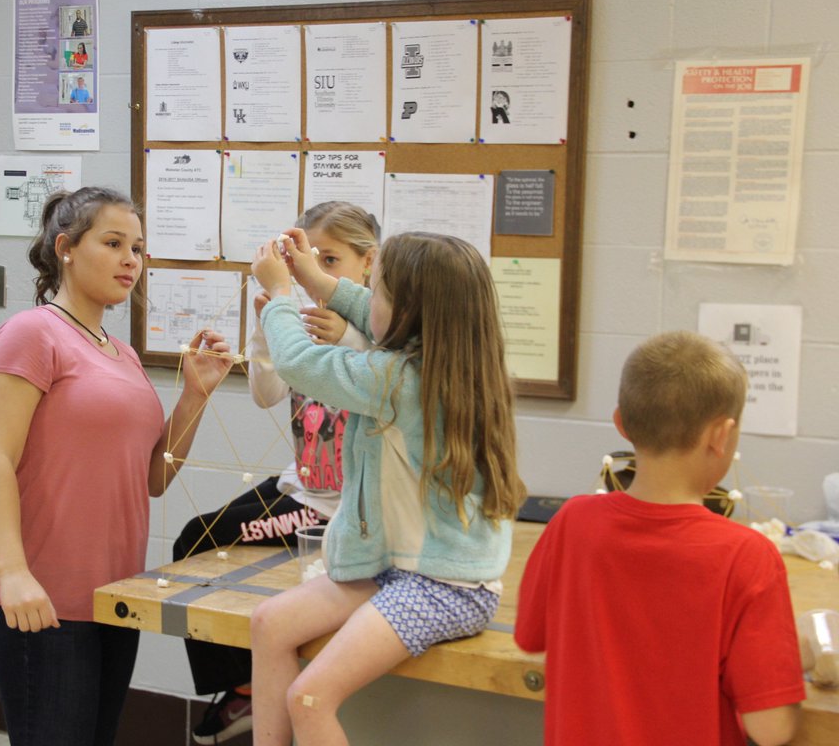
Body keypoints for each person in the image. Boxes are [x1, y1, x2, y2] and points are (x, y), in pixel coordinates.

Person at [0, 187, 234, 746]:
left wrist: (194, 397)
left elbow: (152, 481)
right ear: (65, 247)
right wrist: (14, 574)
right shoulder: (32, 333)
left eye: (137, 249)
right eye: (113, 243)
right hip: (40, 603)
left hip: (112, 599)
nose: (129, 261)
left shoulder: (123, 352)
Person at [248, 230, 526, 745]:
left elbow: (297, 365)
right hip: (397, 569)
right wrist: (315, 278)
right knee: (269, 623)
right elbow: (372, 313)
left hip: (445, 587)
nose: (366, 298)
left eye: (376, 290)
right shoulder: (448, 361)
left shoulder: (397, 378)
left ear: (408, 312)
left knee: (310, 698)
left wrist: (282, 297)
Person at [514, 331, 804, 746]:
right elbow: (771, 729)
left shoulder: (570, 523)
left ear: (621, 423)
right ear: (721, 436)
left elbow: (529, 637)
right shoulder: (748, 556)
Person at [178, 202, 380, 745]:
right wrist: (269, 326)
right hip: (300, 484)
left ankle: (243, 692)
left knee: (207, 539)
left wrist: (341, 333)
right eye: (306, 258)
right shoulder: (291, 315)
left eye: (331, 259)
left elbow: (378, 372)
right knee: (192, 535)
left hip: (335, 506)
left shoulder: (378, 329)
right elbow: (268, 393)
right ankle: (240, 687)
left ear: (369, 263)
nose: (315, 270)